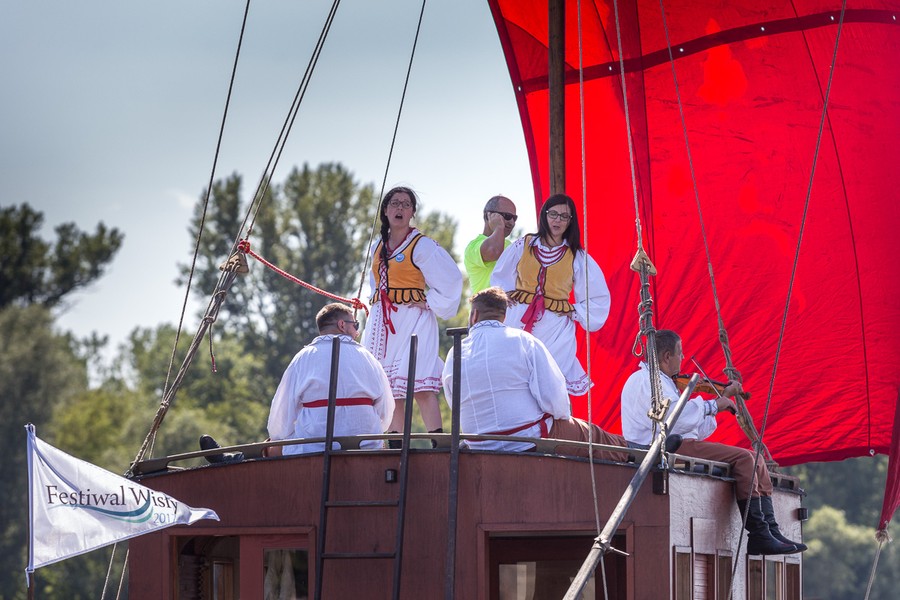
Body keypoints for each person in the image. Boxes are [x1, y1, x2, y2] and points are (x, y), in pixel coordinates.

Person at [620, 329, 807, 555]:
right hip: (661, 448)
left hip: (676, 442)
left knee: (755, 460)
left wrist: (717, 407)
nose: (683, 358)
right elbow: (674, 419)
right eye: (680, 353)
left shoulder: (660, 381)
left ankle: (770, 530)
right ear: (667, 356)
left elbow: (691, 426)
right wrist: (712, 406)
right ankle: (758, 533)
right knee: (744, 458)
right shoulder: (646, 381)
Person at [442, 287, 634, 461]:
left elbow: (454, 403)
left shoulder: (455, 352)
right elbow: (554, 397)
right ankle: (637, 453)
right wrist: (561, 417)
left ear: (474, 315)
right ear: (504, 316)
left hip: (477, 443)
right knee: (590, 434)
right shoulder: (523, 340)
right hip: (527, 441)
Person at [362, 186, 463, 441]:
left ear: (412, 213)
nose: (400, 208)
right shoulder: (377, 246)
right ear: (385, 210)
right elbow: (375, 286)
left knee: (420, 385)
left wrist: (428, 300)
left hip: (413, 321)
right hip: (383, 324)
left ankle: (438, 444)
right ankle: (394, 445)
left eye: (406, 204)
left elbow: (451, 280)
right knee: (390, 389)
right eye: (395, 203)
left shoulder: (422, 245)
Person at [490, 193, 610, 395]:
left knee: (549, 382)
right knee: (513, 377)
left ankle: (549, 425)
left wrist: (574, 310)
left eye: (564, 216)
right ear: (544, 216)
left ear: (571, 221)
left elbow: (598, 297)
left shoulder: (577, 256)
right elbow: (499, 276)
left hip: (555, 328)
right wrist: (506, 294)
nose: (558, 220)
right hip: (518, 320)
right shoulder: (524, 244)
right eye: (553, 214)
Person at [266, 302, 395, 455]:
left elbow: (282, 411)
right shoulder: (368, 358)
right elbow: (386, 411)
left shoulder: (303, 358)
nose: (357, 332)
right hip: (364, 446)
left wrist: (277, 438)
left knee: (270, 449)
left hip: (313, 447)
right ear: (342, 325)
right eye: (355, 325)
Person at [463, 195, 517, 293]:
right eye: (508, 217)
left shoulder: (511, 245)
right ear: (489, 215)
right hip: (485, 307)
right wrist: (499, 227)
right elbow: (494, 251)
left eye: (515, 218)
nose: (512, 223)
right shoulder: (473, 247)